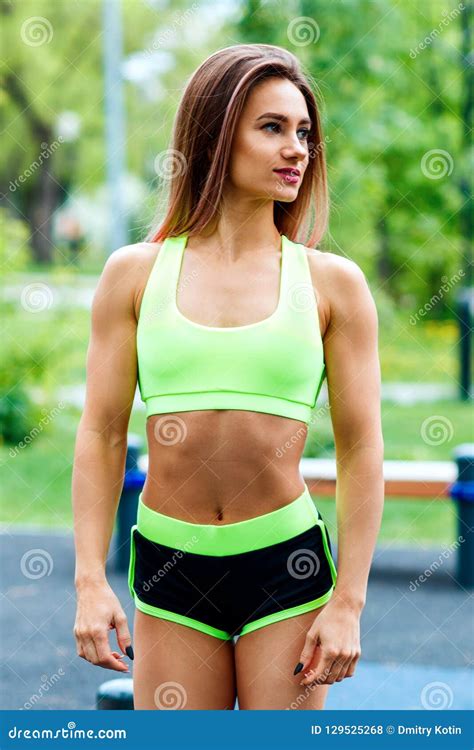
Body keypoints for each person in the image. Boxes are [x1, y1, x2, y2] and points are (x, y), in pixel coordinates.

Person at [72, 43, 384, 710]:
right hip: (170, 564)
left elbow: (361, 450)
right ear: (215, 134)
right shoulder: (134, 274)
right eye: (272, 128)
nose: (296, 148)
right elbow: (100, 434)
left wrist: (349, 603)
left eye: (304, 133)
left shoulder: (333, 285)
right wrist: (89, 582)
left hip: (286, 567)